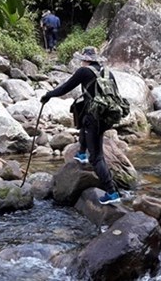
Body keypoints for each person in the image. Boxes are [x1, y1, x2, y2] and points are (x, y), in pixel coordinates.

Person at [40, 46, 121, 205]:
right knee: (83, 120)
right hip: (106, 116)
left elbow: (65, 88)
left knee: (97, 157)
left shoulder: (84, 72)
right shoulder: (107, 72)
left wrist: (48, 95)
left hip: (94, 118)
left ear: (85, 59)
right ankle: (82, 154)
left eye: (82, 60)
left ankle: (112, 192)